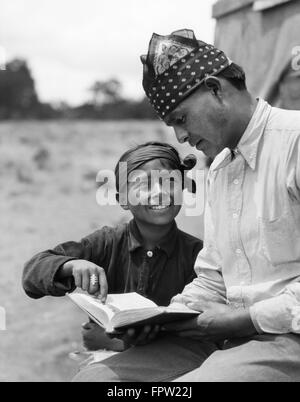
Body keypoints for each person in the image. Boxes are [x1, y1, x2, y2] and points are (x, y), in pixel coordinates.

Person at [72, 29, 300, 382]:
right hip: (220, 336)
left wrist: (245, 318)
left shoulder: (294, 144)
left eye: (181, 119)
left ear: (215, 89)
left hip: (286, 337)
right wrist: (165, 317)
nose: (180, 138)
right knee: (95, 380)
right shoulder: (221, 169)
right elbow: (213, 275)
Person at [22, 141, 204, 353]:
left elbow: (203, 328)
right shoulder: (106, 243)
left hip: (176, 363)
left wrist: (120, 343)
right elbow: (32, 275)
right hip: (108, 362)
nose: (159, 192)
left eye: (169, 181)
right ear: (123, 199)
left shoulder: (198, 255)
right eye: (144, 184)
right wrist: (72, 265)